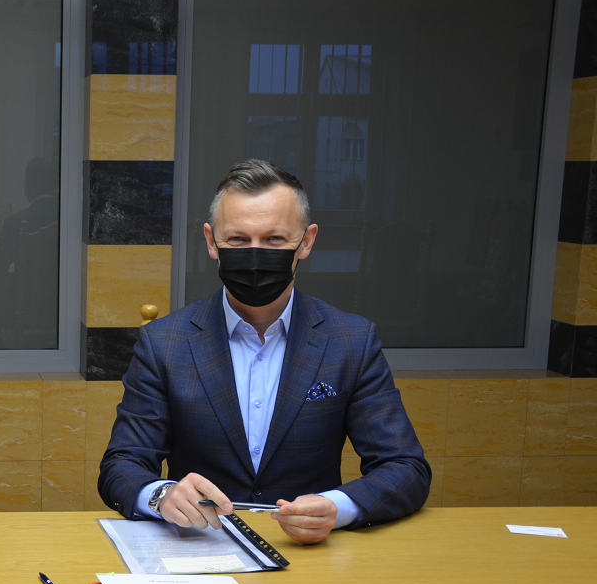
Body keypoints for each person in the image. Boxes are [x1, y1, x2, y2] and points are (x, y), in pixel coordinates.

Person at [98, 159, 430, 544]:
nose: (255, 255)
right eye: (238, 240)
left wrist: (337, 507)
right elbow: (122, 465)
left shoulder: (351, 341)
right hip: (201, 547)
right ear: (212, 241)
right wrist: (162, 495)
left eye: (274, 240)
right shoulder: (164, 342)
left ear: (306, 241)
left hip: (310, 552)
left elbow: (405, 467)